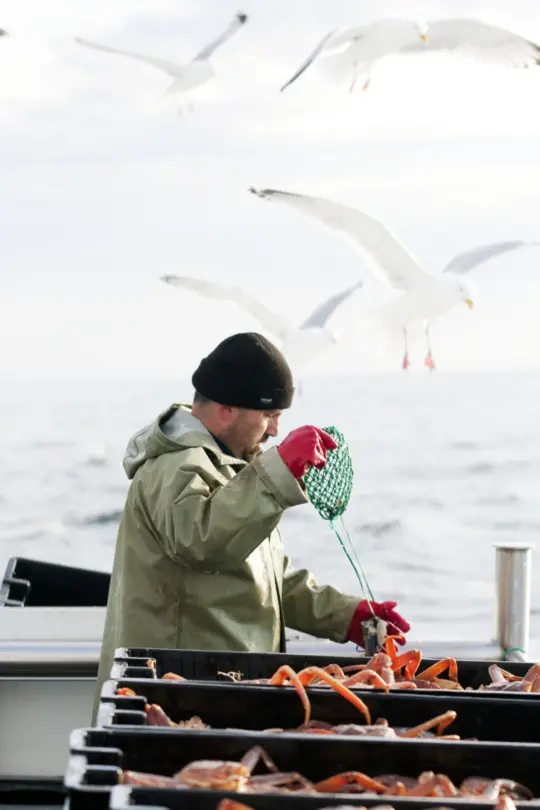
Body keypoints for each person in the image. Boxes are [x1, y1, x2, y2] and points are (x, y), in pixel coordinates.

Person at [92, 331, 410, 721]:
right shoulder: (176, 466)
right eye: (269, 415)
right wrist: (276, 473)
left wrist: (346, 616)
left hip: (217, 689)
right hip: (174, 697)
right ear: (227, 408)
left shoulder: (232, 467)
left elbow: (267, 580)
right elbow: (199, 541)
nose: (274, 430)